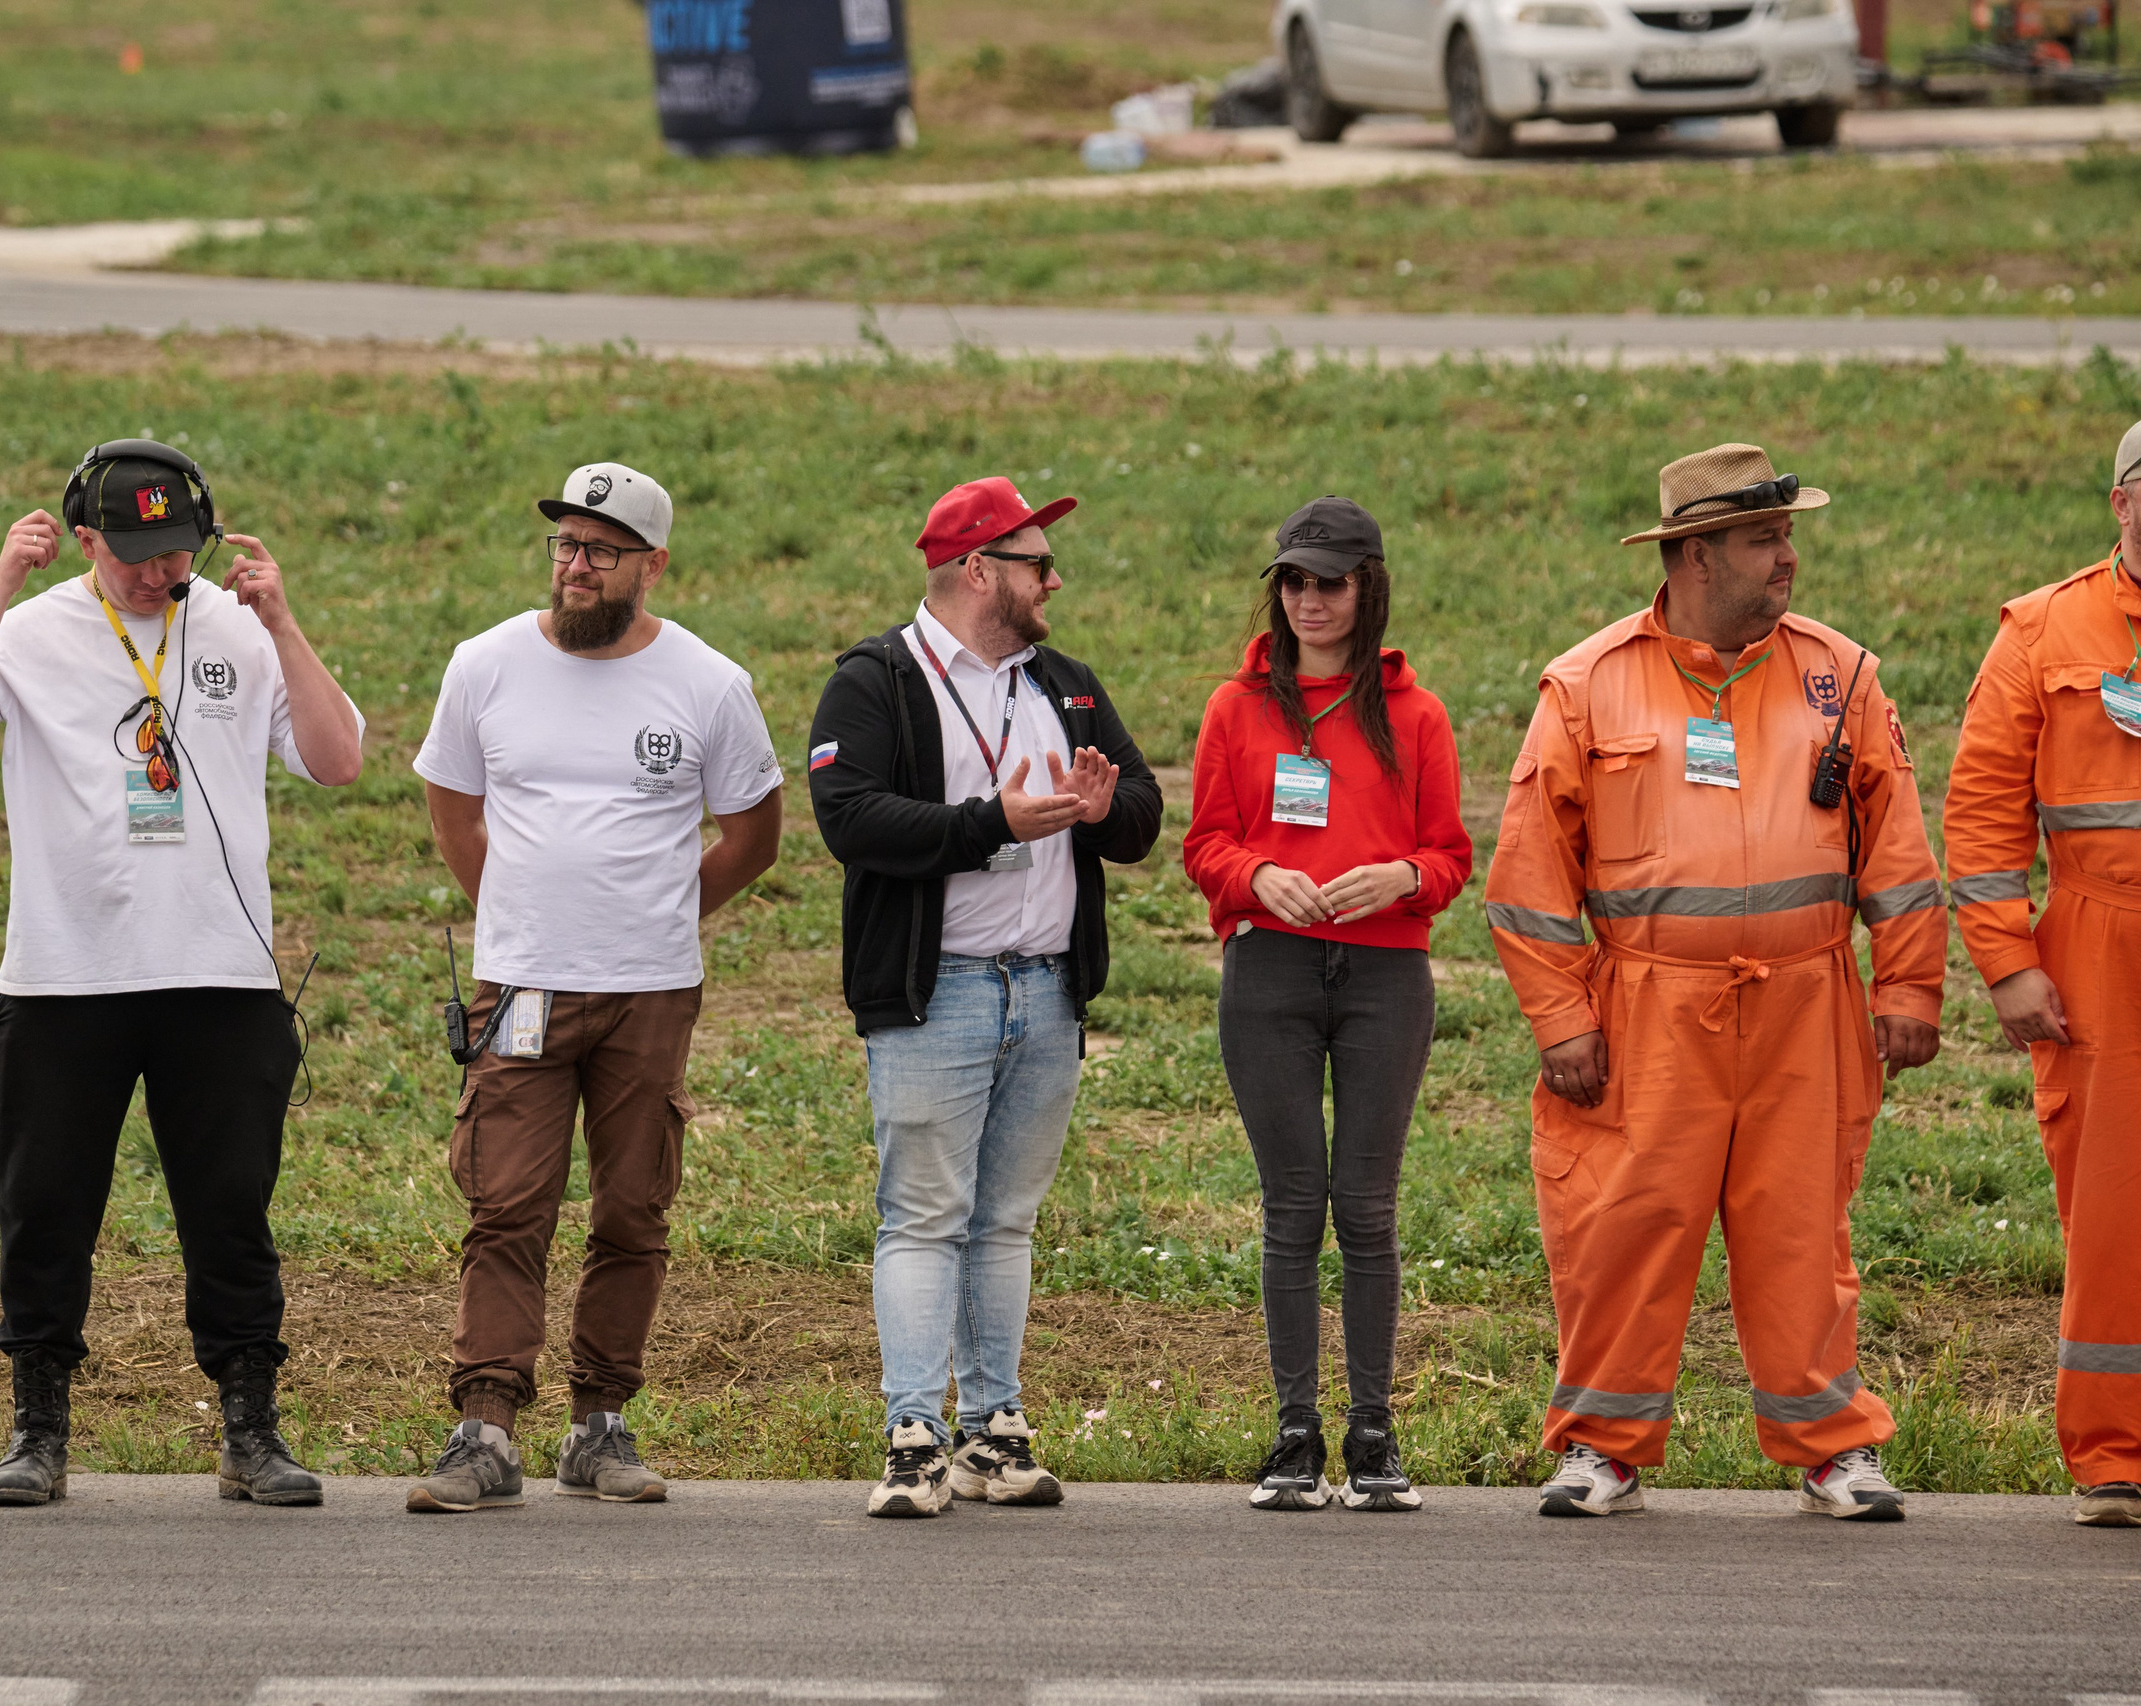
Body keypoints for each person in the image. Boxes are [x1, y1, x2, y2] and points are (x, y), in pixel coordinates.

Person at [0, 439, 363, 1509]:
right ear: (88, 537)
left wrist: (283, 621)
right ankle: (37, 1425)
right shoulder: (28, 630)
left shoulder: (240, 630)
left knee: (230, 1210)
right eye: (141, 553)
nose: (163, 573)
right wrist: (1, 580)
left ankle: (250, 1425)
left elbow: (337, 760)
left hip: (220, 980)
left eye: (181, 551)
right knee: (45, 1208)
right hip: (66, 980)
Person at [1484, 443, 1944, 1521]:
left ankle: (1832, 1445)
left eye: (1785, 536)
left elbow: (1898, 853)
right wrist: (1560, 1017)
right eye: (1761, 539)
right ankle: (1600, 1445)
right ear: (1692, 553)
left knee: (1800, 1229)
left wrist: (1908, 989)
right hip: (1646, 1013)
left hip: (1805, 1004)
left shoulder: (1843, 675)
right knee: (1623, 1224)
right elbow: (1526, 877)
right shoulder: (1587, 683)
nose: (1785, 558)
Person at [408, 462, 781, 1513]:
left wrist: (657, 913)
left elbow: (751, 835)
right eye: (565, 547)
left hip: (650, 993)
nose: (576, 568)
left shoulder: (709, 682)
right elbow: (451, 799)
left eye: (601, 552)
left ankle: (598, 1424)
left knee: (632, 1206)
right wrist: (517, 909)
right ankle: (483, 1429)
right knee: (506, 1201)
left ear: (651, 564)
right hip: (520, 989)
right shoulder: (484, 663)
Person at [809, 475, 1163, 1519]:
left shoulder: (1067, 683)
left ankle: (993, 1431)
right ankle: (913, 1436)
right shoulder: (874, 678)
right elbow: (851, 819)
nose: (1054, 577)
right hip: (937, 993)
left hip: (1045, 990)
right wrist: (993, 823)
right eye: (1034, 560)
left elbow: (1140, 814)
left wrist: (1097, 813)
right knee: (923, 1216)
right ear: (977, 569)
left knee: (1004, 1220)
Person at [1181, 496, 1472, 1514]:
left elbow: (1449, 855)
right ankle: (1296, 1432)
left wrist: (1400, 876)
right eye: (1294, 580)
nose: (1310, 599)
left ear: (1368, 587)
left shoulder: (1418, 714)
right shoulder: (1236, 707)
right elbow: (1203, 843)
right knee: (1292, 1207)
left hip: (1385, 978)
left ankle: (1374, 1432)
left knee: (1368, 1207)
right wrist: (1257, 878)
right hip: (1271, 974)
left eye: (1330, 581)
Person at [1943, 418, 2141, 1528]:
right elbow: (1978, 816)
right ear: (2120, 501)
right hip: (2099, 943)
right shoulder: (2045, 628)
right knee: (2112, 1204)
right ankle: (2114, 1456)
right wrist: (2010, 964)